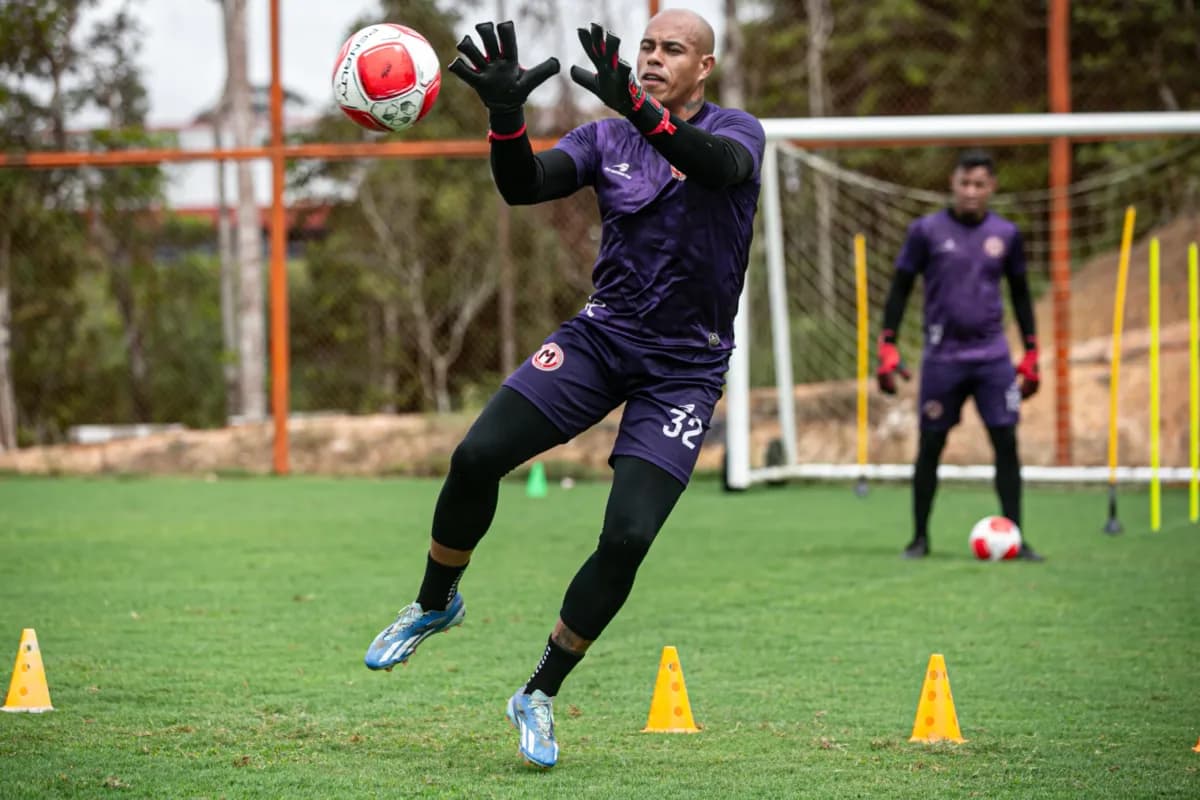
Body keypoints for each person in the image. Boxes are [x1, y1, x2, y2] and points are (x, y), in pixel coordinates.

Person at [363, 11, 765, 769]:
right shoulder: (607, 138)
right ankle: (433, 601)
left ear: (703, 68)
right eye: (645, 46)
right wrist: (507, 115)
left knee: (627, 539)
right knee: (476, 455)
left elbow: (712, 166)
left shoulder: (739, 132)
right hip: (601, 339)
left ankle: (538, 692)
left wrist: (641, 110)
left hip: (684, 369)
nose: (651, 59)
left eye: (671, 50)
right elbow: (524, 185)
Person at [876, 149, 1044, 562]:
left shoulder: (1006, 234)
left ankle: (1017, 537)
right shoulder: (926, 232)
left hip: (992, 358)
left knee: (1006, 442)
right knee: (931, 444)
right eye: (964, 183)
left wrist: (1032, 350)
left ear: (992, 187)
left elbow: (1021, 294)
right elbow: (900, 287)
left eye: (979, 185)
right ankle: (918, 539)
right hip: (942, 358)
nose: (971, 192)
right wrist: (888, 342)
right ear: (953, 183)